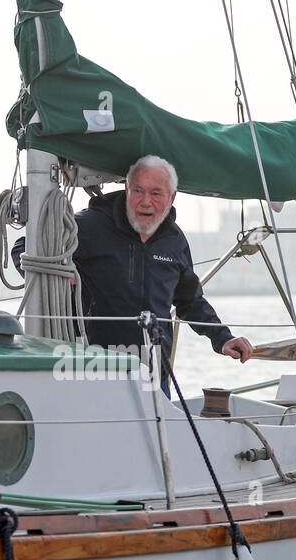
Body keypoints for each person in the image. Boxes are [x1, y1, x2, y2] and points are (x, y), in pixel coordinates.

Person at [16, 155, 252, 390]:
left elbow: (190, 300)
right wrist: (56, 276)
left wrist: (222, 338)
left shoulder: (175, 240)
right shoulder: (90, 226)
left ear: (172, 197)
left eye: (156, 193)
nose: (145, 202)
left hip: (152, 376)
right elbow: (23, 249)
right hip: (93, 372)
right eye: (138, 190)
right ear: (127, 189)